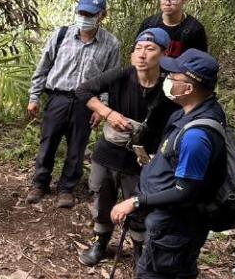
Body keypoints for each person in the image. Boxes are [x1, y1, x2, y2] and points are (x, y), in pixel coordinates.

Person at [106, 49, 226, 279]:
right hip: (190, 220)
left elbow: (185, 191)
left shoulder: (198, 135)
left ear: (191, 86)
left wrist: (136, 200)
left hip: (176, 218)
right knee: (183, 263)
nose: (168, 78)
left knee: (156, 269)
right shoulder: (200, 112)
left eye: (175, 76)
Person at [75, 28, 178, 266]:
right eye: (138, 49)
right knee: (102, 198)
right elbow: (83, 91)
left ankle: (140, 249)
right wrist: (107, 113)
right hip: (108, 152)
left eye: (150, 49)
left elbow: (179, 121)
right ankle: (101, 243)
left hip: (143, 159)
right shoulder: (121, 76)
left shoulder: (170, 86)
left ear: (163, 54)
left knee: (138, 203)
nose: (142, 55)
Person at [26, 0, 121, 208]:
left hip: (86, 103)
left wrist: (102, 108)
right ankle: (39, 184)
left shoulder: (111, 44)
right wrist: (34, 97)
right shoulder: (61, 35)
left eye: (90, 14)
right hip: (58, 97)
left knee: (77, 147)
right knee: (48, 143)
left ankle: (67, 188)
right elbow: (43, 67)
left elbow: (110, 80)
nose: (84, 17)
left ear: (102, 16)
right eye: (81, 12)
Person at [136, 0, 208, 58]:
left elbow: (200, 62)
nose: (167, 3)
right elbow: (136, 53)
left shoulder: (194, 29)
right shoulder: (149, 24)